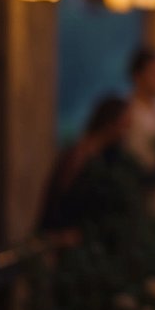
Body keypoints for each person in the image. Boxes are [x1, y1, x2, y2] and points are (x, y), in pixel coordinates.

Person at [38, 95, 139, 237]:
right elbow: (60, 198)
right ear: (110, 123)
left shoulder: (107, 157)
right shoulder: (80, 155)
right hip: (64, 236)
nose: (127, 132)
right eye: (124, 125)